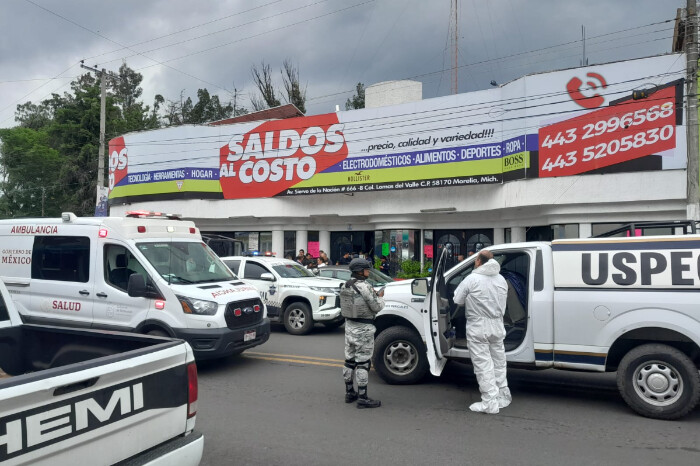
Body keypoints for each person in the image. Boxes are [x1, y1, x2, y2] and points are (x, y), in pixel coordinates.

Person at [453, 249, 511, 414]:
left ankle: (489, 403)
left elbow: (457, 300)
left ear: (478, 261)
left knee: (483, 365)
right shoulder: (501, 279)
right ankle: (502, 397)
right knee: (499, 363)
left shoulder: (472, 279)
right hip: (498, 325)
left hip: (478, 326)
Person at [339, 258, 385, 409]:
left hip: (349, 327)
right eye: (366, 269)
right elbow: (376, 307)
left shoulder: (345, 285)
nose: (368, 271)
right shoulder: (365, 287)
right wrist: (380, 297)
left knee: (349, 360)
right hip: (364, 329)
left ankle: (349, 392)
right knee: (363, 362)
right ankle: (363, 398)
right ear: (360, 271)